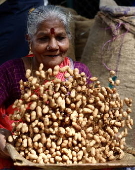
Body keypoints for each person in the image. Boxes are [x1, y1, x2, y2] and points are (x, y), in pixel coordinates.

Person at [0, 5, 92, 169]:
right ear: (29, 40)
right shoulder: (11, 71)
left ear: (68, 38)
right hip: (17, 157)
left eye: (60, 37)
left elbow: (92, 118)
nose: (53, 46)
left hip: (68, 156)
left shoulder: (80, 73)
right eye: (43, 39)